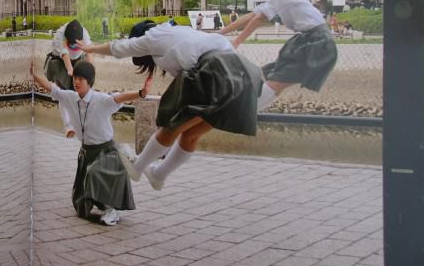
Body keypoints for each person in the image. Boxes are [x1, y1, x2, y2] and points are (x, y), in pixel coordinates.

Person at [78, 19, 268, 191]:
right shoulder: (178, 30)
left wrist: (91, 49)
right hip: (243, 75)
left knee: (172, 124)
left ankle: (137, 167)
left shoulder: (152, 37)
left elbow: (120, 47)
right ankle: (158, 175)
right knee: (191, 134)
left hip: (214, 71)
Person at [31, 59, 151, 225]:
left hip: (107, 153)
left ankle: (112, 210)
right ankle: (102, 204)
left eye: (81, 79)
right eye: (75, 79)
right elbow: (51, 88)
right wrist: (33, 75)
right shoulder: (70, 97)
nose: (76, 82)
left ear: (90, 82)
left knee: (94, 173)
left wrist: (141, 93)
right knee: (80, 203)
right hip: (87, 153)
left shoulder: (101, 100)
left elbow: (120, 97)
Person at [220, 0, 337, 108]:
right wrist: (221, 33)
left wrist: (236, 42)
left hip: (316, 42)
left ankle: (243, 112)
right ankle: (247, 111)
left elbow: (259, 18)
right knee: (274, 78)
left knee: (277, 80)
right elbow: (252, 15)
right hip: (311, 40)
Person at [45, 19, 93, 137]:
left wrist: (90, 73)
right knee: (63, 93)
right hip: (60, 62)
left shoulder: (84, 35)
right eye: (71, 43)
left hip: (78, 59)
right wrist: (70, 71)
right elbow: (65, 56)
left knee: (81, 91)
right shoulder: (59, 38)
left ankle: (83, 122)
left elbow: (89, 54)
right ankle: (68, 127)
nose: (73, 45)